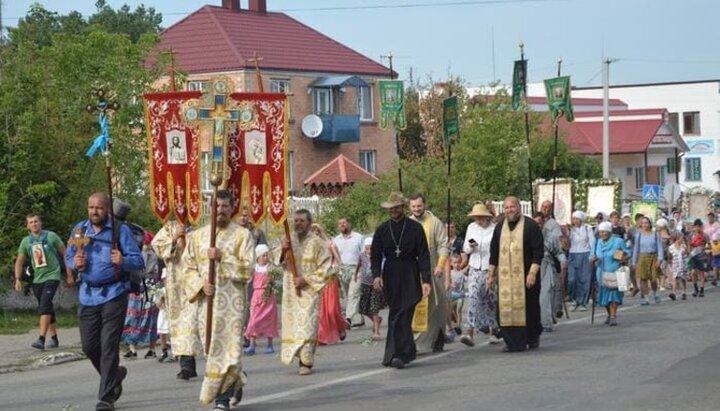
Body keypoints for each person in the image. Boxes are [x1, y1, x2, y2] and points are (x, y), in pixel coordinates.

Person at [65, 193, 144, 411]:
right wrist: (75, 262)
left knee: (108, 345)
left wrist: (123, 260)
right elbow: (70, 254)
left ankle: (106, 397)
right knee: (90, 346)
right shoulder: (80, 230)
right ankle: (115, 375)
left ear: (107, 209)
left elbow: (138, 261)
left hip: (114, 293)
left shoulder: (120, 231)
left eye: (98, 208)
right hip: (88, 294)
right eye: (91, 207)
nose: (94, 212)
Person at [181, 190, 255, 409]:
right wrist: (201, 285)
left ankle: (221, 401)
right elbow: (188, 268)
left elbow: (249, 269)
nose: (220, 210)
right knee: (213, 351)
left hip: (233, 306)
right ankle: (235, 380)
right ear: (210, 209)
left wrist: (224, 257)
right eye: (217, 206)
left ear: (232, 208)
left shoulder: (243, 235)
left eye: (225, 206)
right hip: (207, 305)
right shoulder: (197, 236)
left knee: (230, 352)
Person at [371, 192, 432, 369]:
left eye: (396, 207)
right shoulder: (382, 229)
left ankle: (398, 353)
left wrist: (426, 279)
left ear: (402, 208)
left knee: (405, 312)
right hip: (391, 273)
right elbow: (375, 255)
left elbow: (424, 255)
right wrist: (376, 275)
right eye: (391, 208)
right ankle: (400, 353)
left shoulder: (415, 228)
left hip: (410, 271)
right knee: (396, 313)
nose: (394, 211)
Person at [275, 209, 332, 376]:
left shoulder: (318, 243)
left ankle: (305, 361)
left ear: (309, 222)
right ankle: (295, 354)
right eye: (296, 221)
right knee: (293, 326)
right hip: (291, 292)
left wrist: (305, 280)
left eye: (302, 221)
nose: (298, 223)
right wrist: (282, 250)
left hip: (309, 292)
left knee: (307, 325)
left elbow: (326, 268)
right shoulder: (288, 239)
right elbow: (274, 259)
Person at [487, 196, 544, 353]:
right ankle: (512, 342)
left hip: (526, 276)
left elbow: (538, 251)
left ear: (518, 207)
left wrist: (532, 273)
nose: (509, 210)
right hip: (506, 278)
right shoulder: (499, 228)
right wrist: (491, 275)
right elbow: (494, 252)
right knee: (506, 308)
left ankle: (531, 337)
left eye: (512, 207)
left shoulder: (531, 226)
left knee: (529, 309)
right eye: (506, 208)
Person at [151, 220, 201, 379]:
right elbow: (157, 246)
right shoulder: (169, 226)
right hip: (176, 285)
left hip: (196, 282)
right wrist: (174, 238)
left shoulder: (201, 226)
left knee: (194, 322)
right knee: (181, 323)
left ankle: (219, 364)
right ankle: (186, 364)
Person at [14, 213, 71, 350]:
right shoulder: (26, 242)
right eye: (31, 222)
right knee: (47, 307)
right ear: (27, 226)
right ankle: (55, 339)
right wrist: (17, 279)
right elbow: (19, 262)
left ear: (40, 223)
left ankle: (41, 339)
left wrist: (69, 275)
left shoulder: (51, 236)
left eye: (36, 221)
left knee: (44, 306)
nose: (34, 224)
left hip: (52, 276)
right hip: (37, 279)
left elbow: (66, 254)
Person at [408, 193, 449, 353]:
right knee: (415, 306)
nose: (417, 209)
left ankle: (439, 335)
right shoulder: (408, 223)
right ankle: (414, 342)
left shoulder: (434, 222)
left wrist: (440, 265)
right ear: (410, 207)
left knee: (436, 306)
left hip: (433, 269)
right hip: (413, 272)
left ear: (424, 205)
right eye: (414, 207)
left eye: (419, 206)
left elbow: (443, 244)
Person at [459, 203, 498, 347]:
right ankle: (469, 331)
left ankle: (493, 330)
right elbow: (465, 247)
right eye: (476, 217)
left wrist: (494, 273)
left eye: (480, 217)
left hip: (489, 267)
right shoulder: (471, 228)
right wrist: (471, 246)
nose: (478, 220)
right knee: (474, 297)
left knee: (490, 298)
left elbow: (496, 249)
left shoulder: (494, 229)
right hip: (475, 265)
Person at [121, 235, 160, 359]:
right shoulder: (151, 253)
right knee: (144, 318)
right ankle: (146, 348)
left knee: (138, 317)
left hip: (144, 289)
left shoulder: (147, 254)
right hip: (146, 289)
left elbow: (141, 269)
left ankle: (137, 348)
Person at [591, 222, 631, 326]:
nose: (602, 234)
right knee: (604, 296)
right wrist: (593, 259)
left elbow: (628, 252)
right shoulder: (598, 242)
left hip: (614, 270)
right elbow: (593, 255)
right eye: (600, 232)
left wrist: (623, 257)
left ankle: (613, 316)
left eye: (604, 231)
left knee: (613, 294)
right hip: (601, 272)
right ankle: (609, 314)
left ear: (609, 231)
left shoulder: (618, 241)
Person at [314, 223, 347, 345]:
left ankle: (340, 326)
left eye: (317, 232)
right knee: (322, 311)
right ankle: (323, 336)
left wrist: (335, 269)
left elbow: (339, 261)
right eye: (313, 232)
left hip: (330, 279)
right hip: (319, 281)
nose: (315, 234)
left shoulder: (330, 244)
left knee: (332, 309)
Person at [533, 212, 566, 333]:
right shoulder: (527, 235)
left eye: (540, 223)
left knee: (545, 296)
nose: (538, 226)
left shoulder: (550, 237)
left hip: (546, 267)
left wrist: (563, 261)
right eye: (535, 223)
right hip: (531, 268)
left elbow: (559, 252)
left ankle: (546, 322)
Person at [244, 244, 279, 355]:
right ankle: (252, 344)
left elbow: (275, 281)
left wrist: (272, 280)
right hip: (257, 295)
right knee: (253, 320)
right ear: (258, 257)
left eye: (267, 255)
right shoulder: (254, 268)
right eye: (263, 255)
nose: (266, 257)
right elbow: (248, 280)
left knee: (269, 320)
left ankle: (270, 344)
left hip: (268, 296)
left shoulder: (271, 268)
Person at [333, 217, 365, 327]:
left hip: (356, 269)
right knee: (347, 295)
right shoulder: (336, 240)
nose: (342, 225)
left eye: (344, 223)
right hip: (342, 270)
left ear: (349, 223)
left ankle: (348, 319)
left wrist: (364, 268)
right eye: (340, 223)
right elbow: (334, 257)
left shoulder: (358, 238)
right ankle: (359, 318)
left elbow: (364, 254)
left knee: (353, 294)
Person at [357, 237, 387, 340]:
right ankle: (377, 320)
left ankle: (376, 331)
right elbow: (358, 265)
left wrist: (382, 279)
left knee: (374, 308)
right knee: (363, 309)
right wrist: (355, 275)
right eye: (367, 248)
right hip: (365, 284)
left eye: (371, 248)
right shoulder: (362, 256)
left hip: (376, 284)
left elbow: (383, 268)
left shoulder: (379, 256)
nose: (369, 250)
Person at [540, 201, 566, 319]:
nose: (545, 209)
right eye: (543, 207)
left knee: (551, 287)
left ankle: (554, 310)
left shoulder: (553, 224)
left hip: (548, 259)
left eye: (547, 207)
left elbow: (558, 243)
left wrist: (562, 260)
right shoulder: (532, 221)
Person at [631, 216, 665, 305]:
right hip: (642, 257)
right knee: (643, 279)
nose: (644, 225)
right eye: (642, 223)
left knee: (653, 278)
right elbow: (636, 249)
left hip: (653, 257)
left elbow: (659, 247)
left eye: (646, 223)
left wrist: (660, 258)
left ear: (650, 224)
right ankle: (646, 298)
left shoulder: (655, 234)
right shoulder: (638, 235)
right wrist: (634, 262)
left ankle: (655, 293)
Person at [567, 211, 595, 311]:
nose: (575, 221)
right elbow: (566, 242)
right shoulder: (570, 229)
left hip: (585, 254)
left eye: (577, 218)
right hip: (573, 254)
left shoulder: (587, 228)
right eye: (573, 218)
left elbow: (592, 242)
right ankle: (574, 299)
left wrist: (592, 255)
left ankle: (582, 302)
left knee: (584, 279)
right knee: (572, 279)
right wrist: (567, 232)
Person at [688, 219, 709, 298]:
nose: (698, 228)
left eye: (699, 226)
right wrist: (689, 252)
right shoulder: (691, 235)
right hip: (693, 256)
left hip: (702, 256)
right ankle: (695, 288)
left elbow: (709, 245)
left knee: (701, 273)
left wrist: (706, 250)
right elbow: (689, 245)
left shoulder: (705, 235)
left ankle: (702, 290)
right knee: (693, 272)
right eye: (696, 226)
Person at [668, 232, 689, 301]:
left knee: (683, 279)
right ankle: (674, 293)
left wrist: (685, 250)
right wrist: (670, 264)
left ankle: (684, 292)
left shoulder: (683, 246)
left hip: (683, 265)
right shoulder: (671, 247)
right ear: (677, 238)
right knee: (675, 279)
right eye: (681, 238)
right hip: (675, 265)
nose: (682, 239)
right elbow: (669, 257)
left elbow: (687, 253)